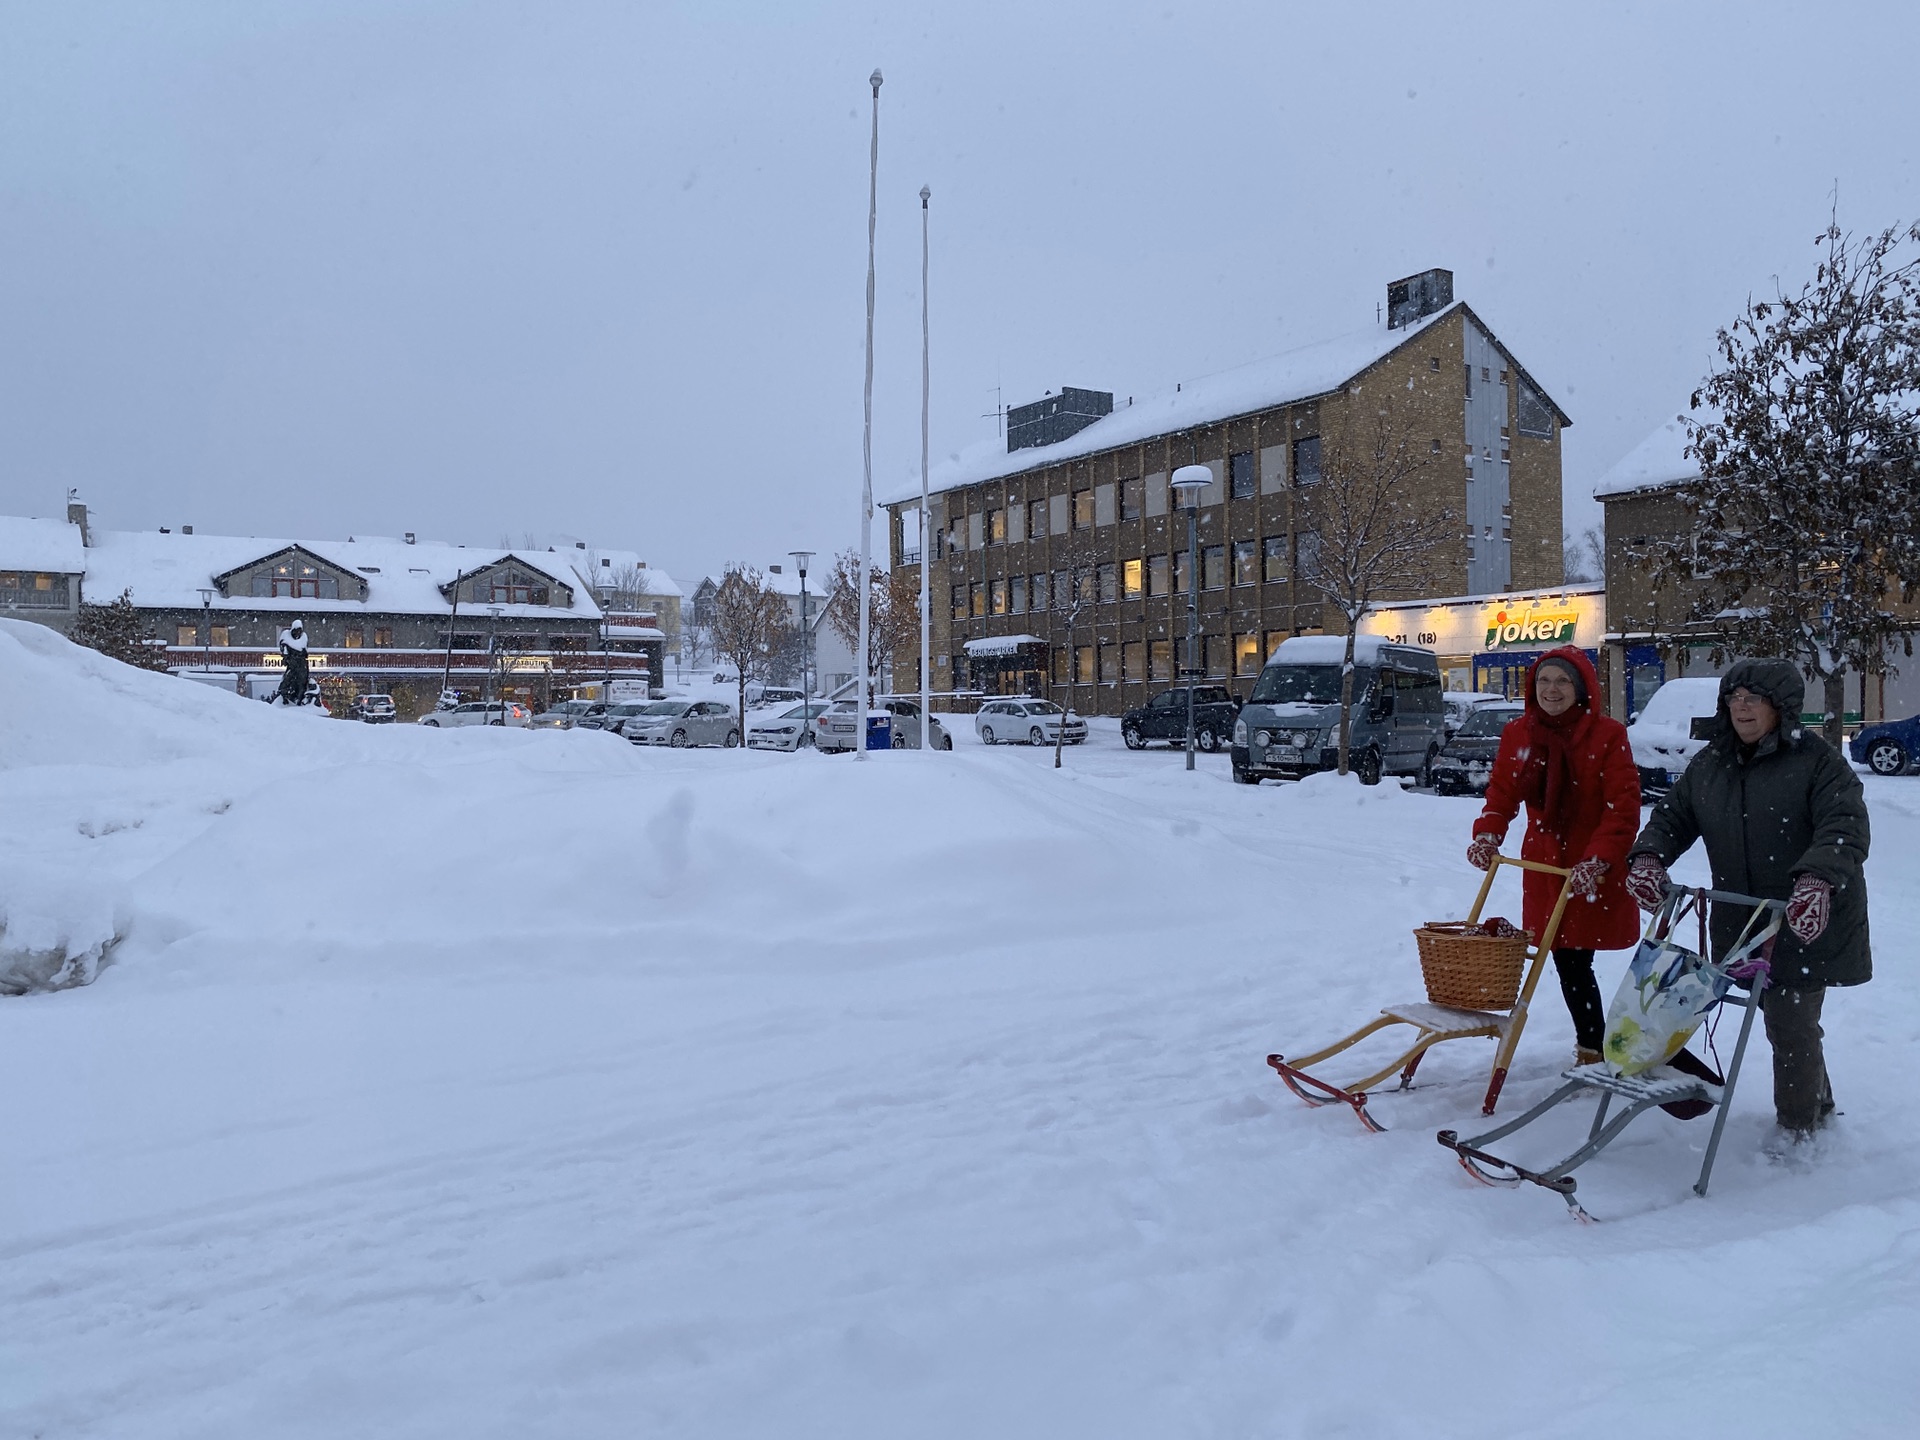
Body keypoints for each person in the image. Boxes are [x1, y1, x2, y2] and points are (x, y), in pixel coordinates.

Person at [1624, 660, 1870, 1149]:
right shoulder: (1712, 762)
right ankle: (1816, 1103)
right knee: (1776, 1017)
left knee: (1790, 1019)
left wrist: (1817, 879)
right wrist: (1649, 856)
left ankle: (1800, 1132)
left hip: (1804, 917)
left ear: (1781, 707)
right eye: (1734, 697)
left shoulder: (1818, 762)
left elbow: (1845, 827)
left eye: (1753, 698)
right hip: (1744, 918)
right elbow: (1673, 817)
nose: (1741, 706)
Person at [1467, 648, 1642, 1063]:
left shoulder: (1607, 734)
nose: (1552, 689)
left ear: (1581, 689)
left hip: (1590, 868)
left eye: (1562, 681)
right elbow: (1503, 791)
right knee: (1564, 955)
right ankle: (1594, 1046)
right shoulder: (1519, 733)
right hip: (1545, 863)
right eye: (1544, 681)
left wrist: (1597, 859)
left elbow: (1623, 807)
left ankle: (1594, 1050)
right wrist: (1488, 834)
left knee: (1573, 958)